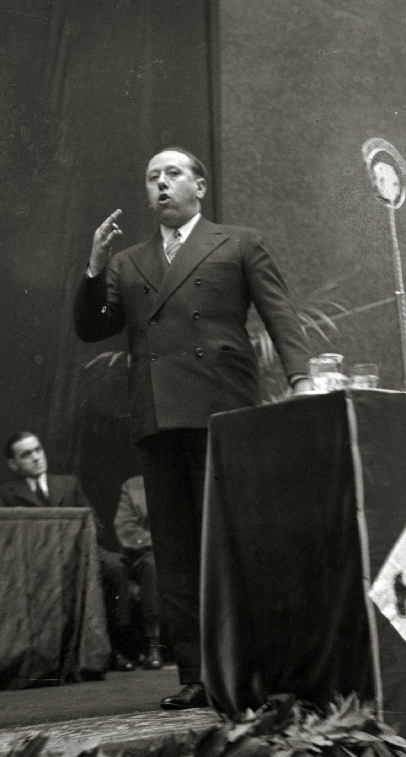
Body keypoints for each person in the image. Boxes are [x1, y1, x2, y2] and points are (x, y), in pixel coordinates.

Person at [74, 146, 311, 709]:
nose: (160, 184)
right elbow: (93, 328)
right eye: (152, 176)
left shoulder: (239, 242)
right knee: (176, 551)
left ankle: (250, 669)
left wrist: (301, 379)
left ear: (199, 187)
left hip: (221, 408)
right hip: (157, 415)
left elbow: (280, 314)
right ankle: (196, 676)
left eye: (172, 173)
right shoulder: (129, 262)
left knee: (226, 542)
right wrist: (93, 267)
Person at [0, 431, 136, 671]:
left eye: (38, 450)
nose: (36, 457)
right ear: (13, 464)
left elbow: (95, 525)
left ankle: (118, 648)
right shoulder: (4, 495)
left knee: (114, 567)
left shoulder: (68, 483)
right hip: (36, 563)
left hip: (81, 556)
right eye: (26, 454)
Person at [113, 475, 163, 670]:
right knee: (153, 565)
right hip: (145, 555)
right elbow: (126, 529)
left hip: (184, 555)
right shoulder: (133, 486)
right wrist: (162, 541)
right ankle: (154, 643)